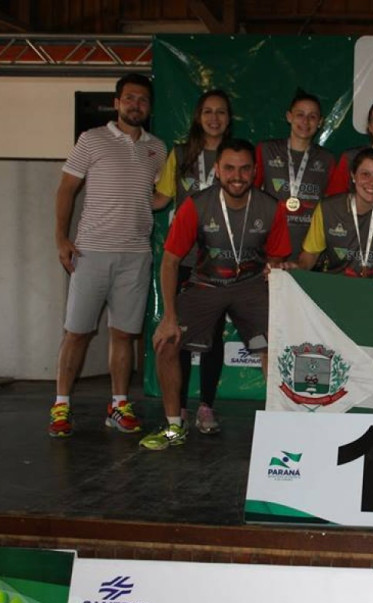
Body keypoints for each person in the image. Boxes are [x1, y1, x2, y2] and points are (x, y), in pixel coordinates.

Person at [141, 138, 291, 451]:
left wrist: (274, 266)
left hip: (251, 285)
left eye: (245, 169)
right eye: (229, 168)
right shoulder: (195, 205)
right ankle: (174, 427)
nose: (237, 176)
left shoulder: (271, 207)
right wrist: (169, 317)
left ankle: (281, 427)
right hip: (206, 284)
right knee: (166, 342)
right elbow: (169, 261)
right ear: (217, 170)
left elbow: (277, 257)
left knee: (279, 345)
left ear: (255, 171)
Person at [48, 73, 167, 438]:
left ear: (149, 107)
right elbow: (66, 189)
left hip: (136, 255)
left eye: (142, 100)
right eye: (129, 98)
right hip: (91, 252)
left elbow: (154, 197)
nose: (136, 105)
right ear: (117, 103)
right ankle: (61, 406)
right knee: (77, 332)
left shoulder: (157, 149)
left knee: (124, 334)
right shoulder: (91, 139)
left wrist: (168, 197)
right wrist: (61, 238)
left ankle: (118, 405)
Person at [154, 89, 232, 435]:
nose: (214, 118)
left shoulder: (234, 154)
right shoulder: (180, 154)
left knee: (213, 335)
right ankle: (181, 406)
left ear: (229, 119)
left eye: (221, 112)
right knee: (181, 335)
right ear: (198, 117)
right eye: (208, 112)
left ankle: (206, 406)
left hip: (219, 259)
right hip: (185, 259)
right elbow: (161, 199)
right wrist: (124, 195)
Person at [254, 89, 336, 262]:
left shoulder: (327, 159)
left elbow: (331, 208)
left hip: (308, 250)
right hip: (269, 244)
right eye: (300, 115)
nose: (305, 121)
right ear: (289, 117)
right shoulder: (266, 150)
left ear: (320, 122)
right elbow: (251, 196)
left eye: (312, 116)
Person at [300, 148, 373, 280]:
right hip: (333, 283)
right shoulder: (328, 208)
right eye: (365, 174)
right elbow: (310, 255)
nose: (372, 182)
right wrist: (297, 267)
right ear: (353, 176)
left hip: (372, 285)